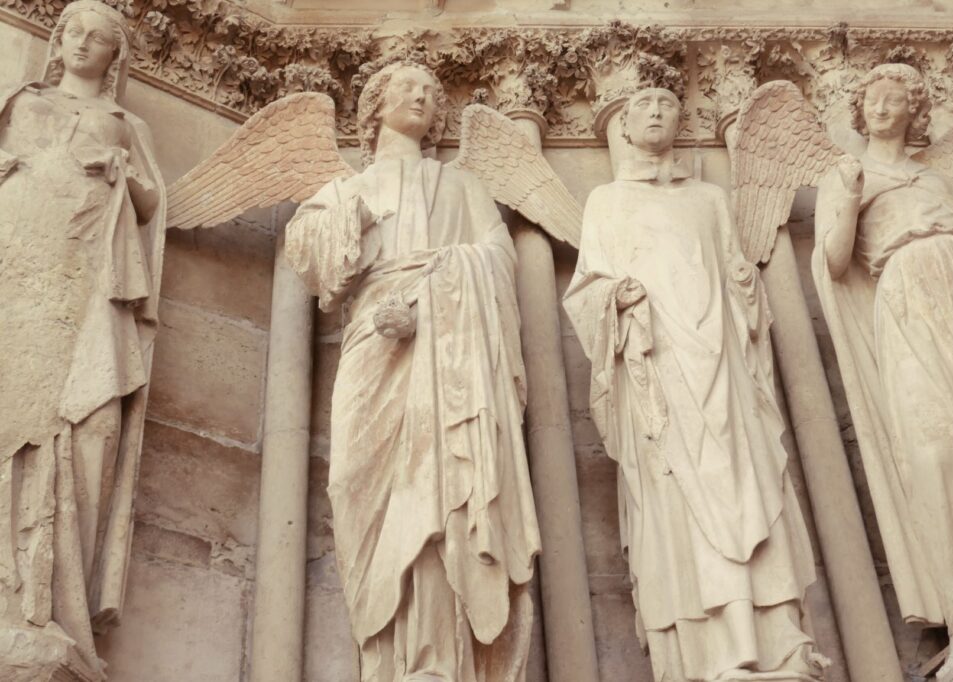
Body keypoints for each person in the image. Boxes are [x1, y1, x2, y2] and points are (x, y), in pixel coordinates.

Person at [285, 61, 541, 681]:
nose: (423, 96)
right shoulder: (346, 189)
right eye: (408, 88)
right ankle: (385, 654)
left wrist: (428, 302)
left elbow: (498, 261)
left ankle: (436, 661)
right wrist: (356, 219)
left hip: (448, 356)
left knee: (439, 492)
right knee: (354, 483)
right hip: (373, 350)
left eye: (431, 92)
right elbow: (308, 256)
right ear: (374, 105)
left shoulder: (461, 187)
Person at [563, 87, 822, 682]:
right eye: (644, 104)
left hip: (725, 366)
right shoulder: (606, 201)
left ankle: (780, 640)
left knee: (751, 482)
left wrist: (745, 288)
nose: (657, 110)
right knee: (681, 498)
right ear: (623, 125)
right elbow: (585, 291)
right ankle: (719, 652)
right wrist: (616, 299)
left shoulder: (710, 198)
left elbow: (742, 282)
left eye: (668, 103)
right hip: (659, 366)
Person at [813, 63, 953, 678]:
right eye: (872, 98)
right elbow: (831, 258)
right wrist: (851, 202)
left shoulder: (941, 178)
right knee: (940, 452)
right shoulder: (845, 174)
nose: (882, 107)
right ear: (857, 111)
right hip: (909, 297)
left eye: (895, 97)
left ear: (914, 110)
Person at [0, 0, 165, 675]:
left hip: (87, 279)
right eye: (72, 32)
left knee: (78, 425)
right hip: (19, 269)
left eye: (98, 38)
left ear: (115, 57)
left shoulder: (125, 123)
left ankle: (51, 602)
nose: (81, 44)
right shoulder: (22, 102)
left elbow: (155, 202)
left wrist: (121, 175)